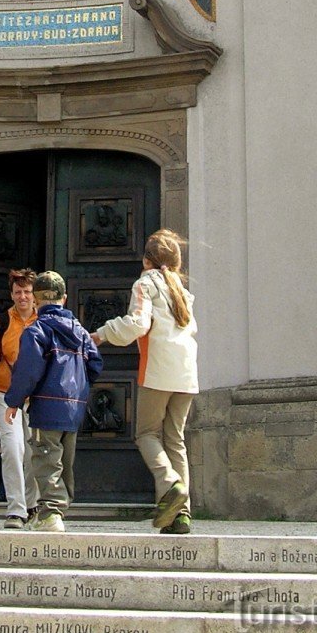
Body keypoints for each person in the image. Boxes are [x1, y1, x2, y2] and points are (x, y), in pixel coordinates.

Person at [90, 229, 198, 535]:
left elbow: (138, 323)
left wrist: (102, 333)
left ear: (146, 260)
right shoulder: (183, 291)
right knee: (175, 439)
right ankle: (181, 516)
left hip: (158, 370)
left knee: (146, 434)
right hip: (187, 372)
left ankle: (171, 484)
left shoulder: (145, 284)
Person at [5, 270, 102, 532]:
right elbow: (95, 364)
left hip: (46, 405)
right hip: (74, 408)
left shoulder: (36, 330)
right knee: (65, 459)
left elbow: (28, 371)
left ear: (35, 300)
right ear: (65, 298)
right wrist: (79, 390)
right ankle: (61, 507)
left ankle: (50, 511)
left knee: (46, 457)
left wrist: (13, 401)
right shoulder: (81, 332)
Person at [0, 268, 40, 529]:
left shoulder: (42, 321)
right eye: (18, 292)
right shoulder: (1, 322)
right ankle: (16, 510)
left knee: (35, 452)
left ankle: (33, 505)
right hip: (5, 395)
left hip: (35, 398)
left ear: (35, 295)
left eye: (27, 291)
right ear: (11, 294)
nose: (22, 296)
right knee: (13, 449)